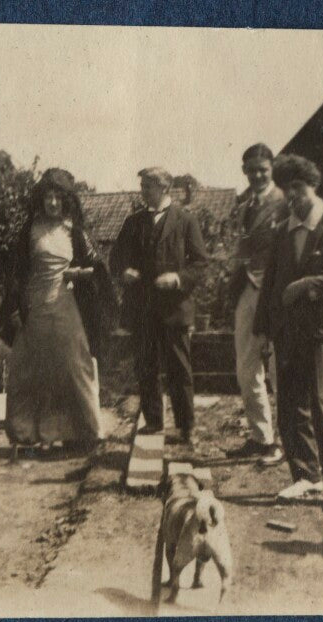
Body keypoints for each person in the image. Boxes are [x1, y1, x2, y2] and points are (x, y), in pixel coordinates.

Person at [252, 154, 323, 507]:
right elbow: (270, 285)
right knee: (289, 406)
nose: (294, 197)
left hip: (319, 332)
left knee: (321, 403)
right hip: (286, 331)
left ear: (313, 186)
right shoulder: (284, 230)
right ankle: (305, 475)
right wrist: (264, 330)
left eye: (299, 189)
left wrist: (307, 284)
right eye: (288, 191)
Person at [0, 168, 110, 452]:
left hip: (66, 308)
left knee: (74, 367)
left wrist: (80, 275)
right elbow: (16, 275)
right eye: (48, 197)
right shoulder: (29, 230)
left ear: (67, 200)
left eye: (58, 197)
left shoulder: (76, 232)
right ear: (40, 200)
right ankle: (27, 435)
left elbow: (98, 269)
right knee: (26, 371)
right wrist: (14, 310)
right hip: (33, 309)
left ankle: (84, 434)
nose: (53, 203)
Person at [110, 167, 208, 444]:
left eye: (147, 187)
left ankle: (186, 426)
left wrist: (177, 278)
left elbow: (200, 263)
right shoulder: (133, 222)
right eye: (142, 187)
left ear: (164, 188)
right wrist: (124, 272)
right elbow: (116, 257)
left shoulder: (185, 220)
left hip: (174, 308)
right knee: (146, 366)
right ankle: (153, 421)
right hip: (142, 309)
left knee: (179, 368)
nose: (142, 192)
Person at [224, 143, 289, 465]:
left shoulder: (285, 203)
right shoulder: (244, 204)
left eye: (263, 169)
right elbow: (242, 247)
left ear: (272, 168)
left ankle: (290, 440)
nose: (258, 175)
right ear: (244, 171)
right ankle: (261, 438)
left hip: (277, 292)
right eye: (251, 169)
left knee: (280, 368)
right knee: (247, 367)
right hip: (249, 289)